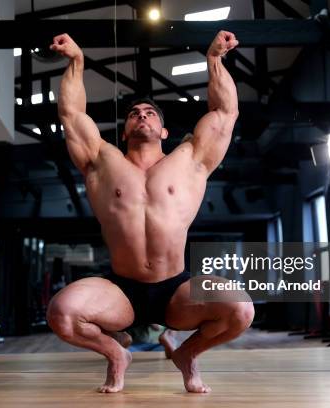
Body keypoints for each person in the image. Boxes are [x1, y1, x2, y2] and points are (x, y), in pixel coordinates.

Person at [46, 30, 254, 394]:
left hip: (176, 289)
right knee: (61, 313)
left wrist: (215, 60)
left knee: (241, 310)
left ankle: (186, 355)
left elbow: (225, 112)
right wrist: (77, 61)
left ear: (164, 129)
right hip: (120, 290)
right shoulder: (101, 161)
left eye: (149, 113)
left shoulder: (190, 160)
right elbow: (72, 112)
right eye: (133, 114)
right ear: (124, 132)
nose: (141, 116)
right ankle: (116, 354)